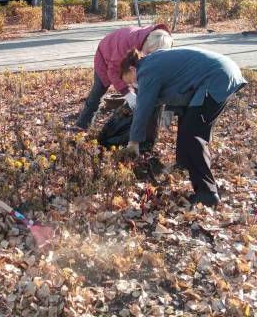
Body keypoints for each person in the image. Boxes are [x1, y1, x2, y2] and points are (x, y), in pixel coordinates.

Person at [119, 47, 247, 206]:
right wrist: (169, 110)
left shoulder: (146, 70)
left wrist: (134, 141)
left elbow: (143, 107)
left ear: (132, 68)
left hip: (216, 77)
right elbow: (179, 82)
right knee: (187, 126)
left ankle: (207, 194)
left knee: (192, 136)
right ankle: (183, 165)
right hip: (221, 73)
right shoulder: (152, 62)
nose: (133, 85)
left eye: (130, 80)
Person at [75, 24, 173, 130]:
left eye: (155, 56)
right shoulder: (125, 46)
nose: (151, 58)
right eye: (149, 53)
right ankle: (82, 125)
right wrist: (127, 93)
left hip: (132, 55)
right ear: (146, 44)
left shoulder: (164, 42)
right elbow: (112, 71)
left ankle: (137, 128)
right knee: (98, 91)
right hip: (106, 55)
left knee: (140, 92)